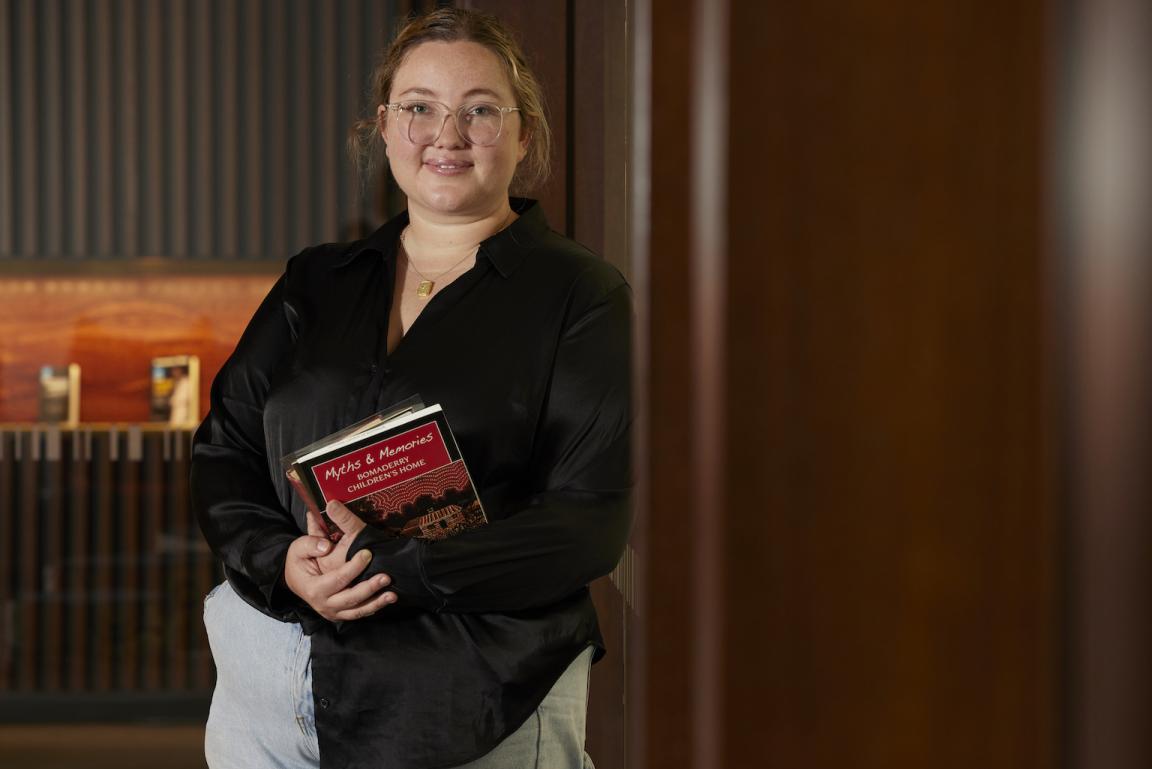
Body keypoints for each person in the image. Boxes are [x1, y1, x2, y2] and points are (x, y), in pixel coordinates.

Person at [191, 8, 631, 769]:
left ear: (524, 135)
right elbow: (222, 449)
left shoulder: (580, 294)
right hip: (274, 681)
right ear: (384, 128)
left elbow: (589, 522)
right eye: (419, 107)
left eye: (480, 111)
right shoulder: (316, 280)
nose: (446, 134)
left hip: (477, 695)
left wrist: (401, 568)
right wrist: (280, 559)